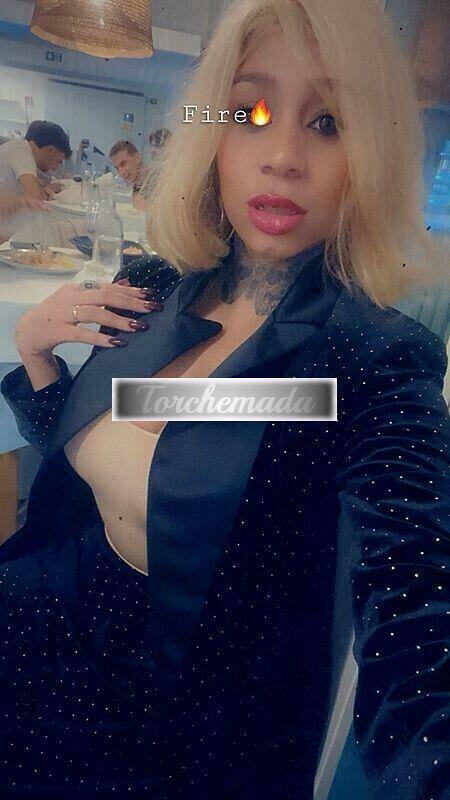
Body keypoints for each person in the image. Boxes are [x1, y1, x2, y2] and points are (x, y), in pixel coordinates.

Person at [0, 1, 449, 799]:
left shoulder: (368, 362)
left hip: (159, 722)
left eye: (328, 122)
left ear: (371, 153)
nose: (281, 158)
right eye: (249, 113)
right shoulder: (156, 289)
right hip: (45, 616)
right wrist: (36, 358)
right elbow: (107, 458)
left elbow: (416, 610)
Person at [0, 121, 71, 201]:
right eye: (59, 161)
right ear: (50, 150)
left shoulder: (18, 148)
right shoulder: (21, 153)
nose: (56, 167)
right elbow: (34, 198)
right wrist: (49, 191)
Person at [109, 139, 150, 209]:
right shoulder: (138, 186)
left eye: (123, 164)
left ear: (138, 158)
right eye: (117, 168)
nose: (121, 173)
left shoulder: (159, 183)